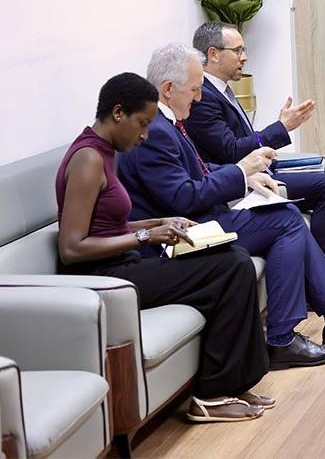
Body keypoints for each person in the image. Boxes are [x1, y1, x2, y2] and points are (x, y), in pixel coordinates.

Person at [117, 44, 325, 370]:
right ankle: (300, 332)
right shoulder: (155, 131)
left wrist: (246, 178)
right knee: (285, 221)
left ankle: (322, 324)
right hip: (180, 237)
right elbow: (183, 197)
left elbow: (196, 170)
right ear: (168, 89)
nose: (198, 98)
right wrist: (241, 171)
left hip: (200, 221)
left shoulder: (165, 124)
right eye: (194, 90)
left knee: (286, 216)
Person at [56, 72, 271, 422]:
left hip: (120, 264)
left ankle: (235, 382)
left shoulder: (105, 152)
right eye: (142, 124)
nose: (144, 134)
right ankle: (210, 395)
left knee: (235, 256)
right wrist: (147, 237)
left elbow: (108, 226)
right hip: (104, 278)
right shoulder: (88, 159)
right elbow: (71, 247)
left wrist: (159, 222)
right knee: (230, 267)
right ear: (118, 113)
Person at [184, 21, 325, 275]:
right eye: (238, 50)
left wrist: (274, 135)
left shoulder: (221, 90)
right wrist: (280, 128)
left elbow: (241, 141)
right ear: (214, 54)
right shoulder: (204, 96)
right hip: (239, 184)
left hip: (259, 173)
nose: (245, 57)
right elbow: (231, 151)